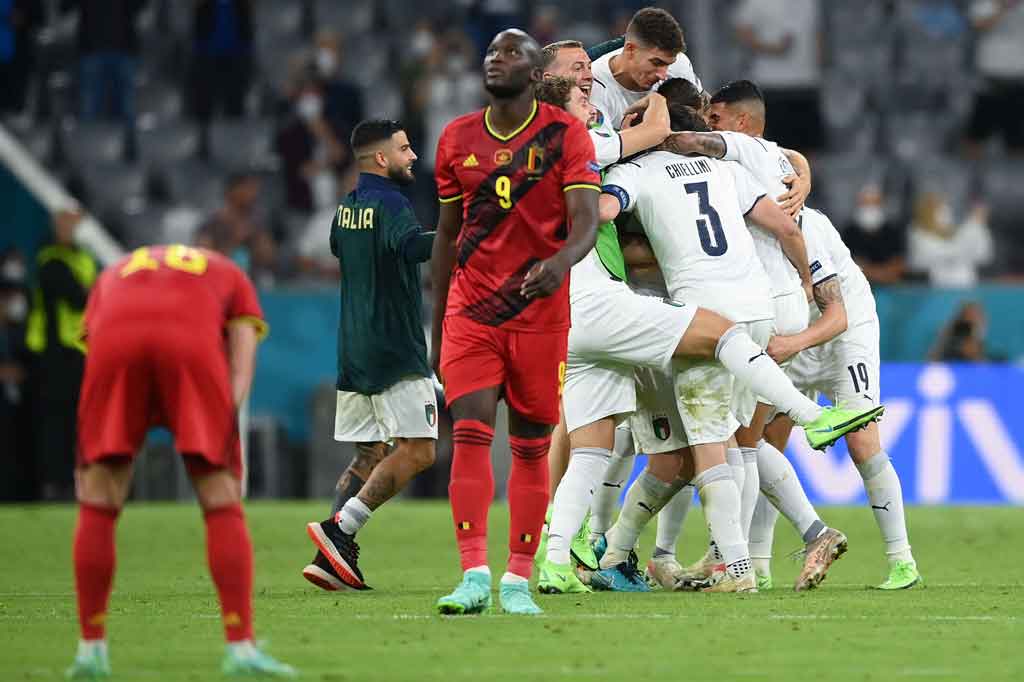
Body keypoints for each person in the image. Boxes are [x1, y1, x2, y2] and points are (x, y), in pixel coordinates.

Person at [594, 102, 885, 592]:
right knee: (742, 447)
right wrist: (806, 283)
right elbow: (787, 227)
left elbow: (604, 213)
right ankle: (747, 554)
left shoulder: (633, 171)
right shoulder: (726, 170)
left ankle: (736, 570)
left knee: (708, 449)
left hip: (702, 317)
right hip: (760, 309)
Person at [429, 29, 601, 616]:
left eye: (510, 54)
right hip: (472, 311)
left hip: (540, 318)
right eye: (490, 53)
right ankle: (473, 573)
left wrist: (560, 261)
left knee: (530, 449)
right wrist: (435, 331)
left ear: (533, 74)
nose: (495, 60)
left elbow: (584, 221)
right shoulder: (455, 139)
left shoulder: (566, 135)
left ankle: (518, 579)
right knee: (472, 436)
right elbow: (447, 236)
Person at [66, 245, 294, 678]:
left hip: (113, 343)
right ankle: (240, 647)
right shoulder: (228, 272)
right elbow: (242, 345)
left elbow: (95, 346)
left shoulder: (114, 271)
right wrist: (226, 413)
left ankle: (90, 651)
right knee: (219, 493)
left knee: (99, 496)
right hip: (188, 343)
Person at [755, 203, 925, 591]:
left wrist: (790, 344)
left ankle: (902, 562)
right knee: (767, 446)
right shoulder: (745, 227)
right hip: (791, 333)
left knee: (863, 443)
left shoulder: (806, 229)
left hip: (845, 332)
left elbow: (838, 314)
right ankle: (759, 567)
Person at [303, 120, 438, 592]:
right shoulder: (392, 203)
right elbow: (411, 247)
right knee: (419, 450)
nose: (413, 157)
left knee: (369, 452)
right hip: (395, 349)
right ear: (381, 159)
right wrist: (465, 237)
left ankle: (330, 557)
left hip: (354, 347)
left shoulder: (347, 208)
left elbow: (340, 249)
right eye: (404, 149)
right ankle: (342, 530)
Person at [25, 209, 96, 501]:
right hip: (54, 352)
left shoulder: (81, 257)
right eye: (63, 223)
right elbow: (81, 297)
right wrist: (87, 291)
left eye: (72, 222)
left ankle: (76, 481)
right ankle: (54, 485)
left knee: (78, 419)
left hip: (79, 351)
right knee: (56, 421)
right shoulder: (50, 259)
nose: (68, 228)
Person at [732, 0, 824, 152]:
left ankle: (806, 175)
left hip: (807, 81)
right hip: (773, 82)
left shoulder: (809, 3)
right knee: (777, 144)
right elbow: (741, 32)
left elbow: (817, 32)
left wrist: (819, 66)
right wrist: (771, 48)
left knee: (809, 143)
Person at [588, 7, 702, 129]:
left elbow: (706, 113)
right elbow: (601, 145)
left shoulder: (678, 64)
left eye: (668, 64)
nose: (663, 75)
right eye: (656, 63)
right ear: (630, 49)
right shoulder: (593, 87)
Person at [61, 0, 145, 121]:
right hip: (96, 48)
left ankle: (121, 136)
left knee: (122, 109)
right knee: (92, 106)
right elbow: (65, 7)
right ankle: (93, 137)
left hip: (118, 47)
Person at [195, 172, 277, 284]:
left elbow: (269, 260)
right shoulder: (211, 226)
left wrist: (258, 238)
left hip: (251, 286)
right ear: (232, 191)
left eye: (255, 190)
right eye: (248, 189)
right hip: (219, 286)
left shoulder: (256, 224)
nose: (254, 194)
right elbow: (203, 263)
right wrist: (235, 240)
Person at [908, 194, 993, 287]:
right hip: (937, 291)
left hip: (966, 289)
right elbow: (918, 262)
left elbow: (983, 255)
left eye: (946, 210)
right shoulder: (918, 235)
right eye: (940, 211)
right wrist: (973, 225)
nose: (945, 216)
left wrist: (978, 226)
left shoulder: (958, 234)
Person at [842, 184, 907, 286]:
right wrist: (881, 274)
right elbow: (847, 266)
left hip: (890, 290)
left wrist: (872, 272)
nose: (870, 208)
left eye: (874, 203)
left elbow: (898, 266)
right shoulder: (849, 232)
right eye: (866, 203)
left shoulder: (893, 232)